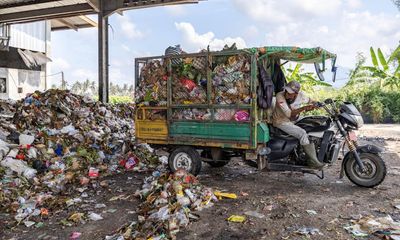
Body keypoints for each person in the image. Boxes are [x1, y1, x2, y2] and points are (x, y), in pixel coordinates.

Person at [272, 80, 323, 169]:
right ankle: (313, 161)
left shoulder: (301, 95)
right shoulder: (280, 96)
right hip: (281, 121)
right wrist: (304, 108)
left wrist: (316, 104)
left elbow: (310, 100)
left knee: (311, 122)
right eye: (286, 91)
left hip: (293, 119)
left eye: (290, 93)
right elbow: (289, 114)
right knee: (302, 133)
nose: (287, 94)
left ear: (296, 93)